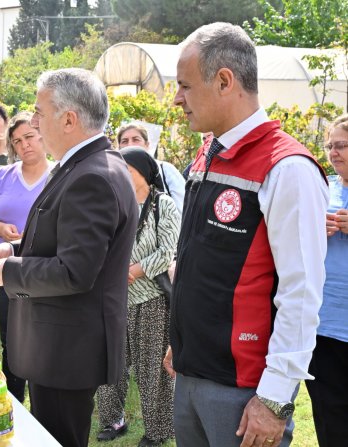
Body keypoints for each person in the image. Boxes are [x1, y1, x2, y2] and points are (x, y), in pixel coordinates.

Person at [163, 23, 328, 447]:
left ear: (224, 81)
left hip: (243, 392)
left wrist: (274, 399)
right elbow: (201, 258)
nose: (177, 98)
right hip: (191, 373)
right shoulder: (208, 152)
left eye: (185, 86)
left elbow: (301, 292)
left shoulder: (287, 168)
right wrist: (182, 342)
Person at [0, 68, 138, 447]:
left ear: (68, 119)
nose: (33, 122)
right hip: (60, 345)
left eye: (39, 112)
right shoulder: (85, 166)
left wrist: (8, 272)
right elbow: (66, 242)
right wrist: (13, 249)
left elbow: (74, 271)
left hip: (67, 350)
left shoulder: (92, 175)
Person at [96, 147, 179, 446]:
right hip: (114, 299)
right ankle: (113, 421)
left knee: (151, 370)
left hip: (151, 301)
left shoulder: (163, 205)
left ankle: (157, 431)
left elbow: (167, 251)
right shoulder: (114, 202)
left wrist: (131, 271)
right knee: (109, 364)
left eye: (126, 169)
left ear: (143, 172)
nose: (119, 175)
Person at [0, 111, 51, 402]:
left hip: (44, 270)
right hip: (5, 270)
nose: (24, 144)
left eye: (29, 136)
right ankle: (13, 401)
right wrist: (0, 229)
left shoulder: (59, 175)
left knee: (43, 338)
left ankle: (44, 401)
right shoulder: (2, 176)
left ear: (43, 135)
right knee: (12, 338)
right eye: (17, 141)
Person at [306, 114, 348, 447]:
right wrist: (313, 228)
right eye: (330, 146)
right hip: (324, 322)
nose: (334, 153)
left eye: (342, 145)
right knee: (330, 417)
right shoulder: (322, 188)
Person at [117, 122, 186, 213]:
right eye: (124, 141)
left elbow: (183, 210)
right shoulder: (116, 175)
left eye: (136, 139)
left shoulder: (166, 170)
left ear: (147, 144)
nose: (130, 145)